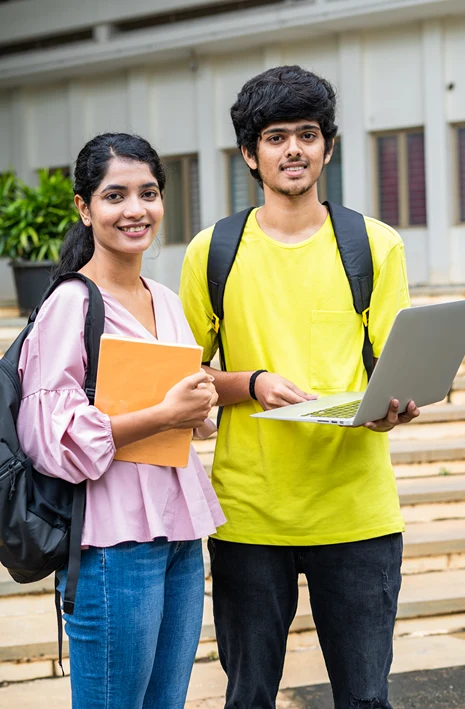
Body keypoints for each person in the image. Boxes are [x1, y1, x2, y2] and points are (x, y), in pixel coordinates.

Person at [179, 66, 420, 709]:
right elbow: (181, 379)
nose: (293, 149)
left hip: (358, 511)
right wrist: (249, 382)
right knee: (249, 696)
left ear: (328, 147)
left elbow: (396, 369)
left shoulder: (374, 244)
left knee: (366, 700)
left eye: (307, 134)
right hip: (252, 515)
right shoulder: (214, 251)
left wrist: (395, 405)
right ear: (250, 155)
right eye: (276, 136)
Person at [16, 132, 225, 709]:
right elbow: (49, 439)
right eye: (115, 196)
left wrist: (197, 404)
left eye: (148, 193)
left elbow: (185, 415)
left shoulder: (166, 298)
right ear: (85, 208)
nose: (135, 210)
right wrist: (163, 413)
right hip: (111, 544)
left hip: (180, 533)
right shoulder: (70, 304)